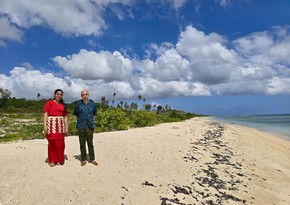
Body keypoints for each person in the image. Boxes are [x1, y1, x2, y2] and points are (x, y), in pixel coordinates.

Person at [43, 89, 68, 167]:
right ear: (54, 94)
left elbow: (65, 117)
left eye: (60, 94)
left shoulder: (63, 105)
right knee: (52, 142)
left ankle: (60, 158)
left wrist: (66, 127)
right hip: (51, 124)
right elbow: (46, 114)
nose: (59, 96)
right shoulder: (49, 103)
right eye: (57, 94)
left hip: (60, 125)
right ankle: (52, 160)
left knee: (60, 143)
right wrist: (45, 125)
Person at [73, 90, 98, 166]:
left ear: (88, 95)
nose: (85, 96)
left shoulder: (93, 104)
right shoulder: (78, 104)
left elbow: (94, 114)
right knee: (82, 143)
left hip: (90, 126)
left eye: (86, 94)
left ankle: (92, 159)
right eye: (83, 94)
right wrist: (81, 121)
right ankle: (83, 159)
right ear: (81, 95)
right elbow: (76, 114)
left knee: (90, 143)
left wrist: (91, 121)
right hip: (80, 126)